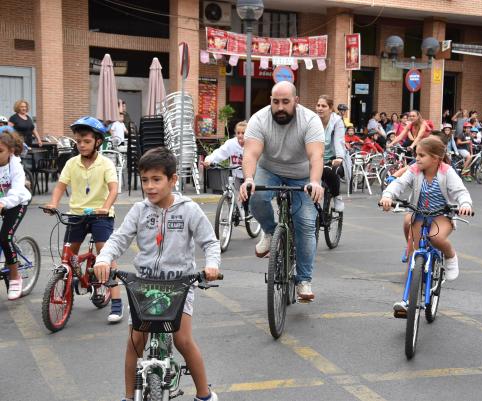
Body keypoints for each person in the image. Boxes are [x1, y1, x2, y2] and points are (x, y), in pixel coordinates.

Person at [93, 147, 221, 401]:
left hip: (179, 286)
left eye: (156, 179)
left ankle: (204, 394)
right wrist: (104, 258)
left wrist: (212, 266)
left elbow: (210, 242)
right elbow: (118, 239)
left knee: (182, 339)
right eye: (144, 180)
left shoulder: (189, 210)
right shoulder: (140, 210)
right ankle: (129, 396)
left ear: (173, 180)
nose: (149, 186)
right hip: (143, 286)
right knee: (135, 342)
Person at [239, 81, 324, 301]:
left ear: (296, 101)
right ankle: (269, 231)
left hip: (302, 175)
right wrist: (248, 178)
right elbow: (250, 153)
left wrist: (315, 182)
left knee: (305, 223)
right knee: (255, 195)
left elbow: (316, 156)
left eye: (285, 102)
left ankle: (304, 280)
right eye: (275, 102)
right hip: (269, 170)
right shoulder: (259, 119)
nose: (280, 107)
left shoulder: (310, 120)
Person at [380, 137, 473, 313]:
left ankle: (451, 257)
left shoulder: (447, 172)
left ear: (436, 158)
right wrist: (387, 196)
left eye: (422, 155)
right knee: (414, 258)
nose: (417, 159)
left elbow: (461, 192)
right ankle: (407, 301)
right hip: (420, 214)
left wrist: (465, 204)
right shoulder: (414, 170)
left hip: (442, 215)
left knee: (435, 238)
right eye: (416, 155)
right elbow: (398, 184)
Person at [44, 116, 123, 322]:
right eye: (78, 141)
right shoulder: (71, 163)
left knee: (105, 254)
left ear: (98, 141)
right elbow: (61, 186)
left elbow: (114, 188)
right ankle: (70, 284)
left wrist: (105, 207)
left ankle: (116, 302)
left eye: (86, 141)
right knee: (68, 256)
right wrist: (53, 203)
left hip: (100, 216)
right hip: (76, 215)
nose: (81, 145)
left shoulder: (105, 163)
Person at [0, 131, 31, 300]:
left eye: (0, 151)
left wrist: (4, 203)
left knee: (5, 237)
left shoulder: (15, 166)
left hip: (17, 202)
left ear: (11, 151)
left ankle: (15, 276)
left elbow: (18, 191)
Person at [316, 95, 349, 212]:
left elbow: (339, 140)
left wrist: (339, 158)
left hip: (332, 158)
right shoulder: (313, 120)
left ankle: (337, 196)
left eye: (323, 106)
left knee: (331, 171)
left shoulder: (337, 121)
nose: (320, 108)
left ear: (330, 109)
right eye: (318, 105)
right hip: (315, 157)